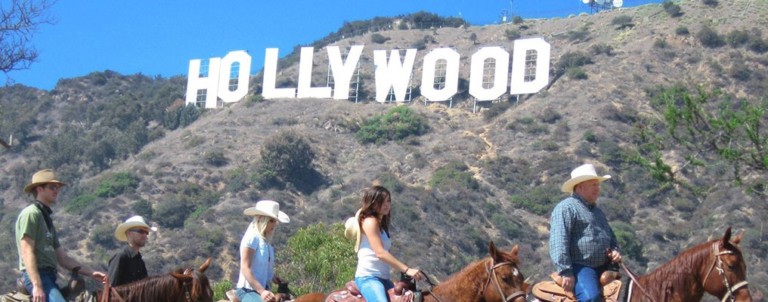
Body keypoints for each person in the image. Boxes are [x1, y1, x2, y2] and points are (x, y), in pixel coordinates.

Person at [15, 169, 106, 302]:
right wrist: (37, 285)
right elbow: (27, 251)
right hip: (38, 276)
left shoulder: (46, 218)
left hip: (50, 276)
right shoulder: (31, 214)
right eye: (52, 187)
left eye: (58, 187)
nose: (56, 190)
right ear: (39, 189)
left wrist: (91, 273)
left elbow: (62, 258)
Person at [549, 163, 622, 302]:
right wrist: (566, 272)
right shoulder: (566, 208)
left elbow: (611, 237)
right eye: (593, 185)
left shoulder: (598, 212)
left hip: (606, 267)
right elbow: (559, 242)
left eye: (598, 185)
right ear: (580, 187)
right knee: (591, 298)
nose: (598, 189)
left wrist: (615, 250)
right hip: (580, 267)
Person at [353, 185, 422, 302]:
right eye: (382, 201)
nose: (387, 204)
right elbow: (380, 253)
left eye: (388, 201)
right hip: (369, 278)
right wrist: (406, 270)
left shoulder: (381, 225)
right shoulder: (370, 222)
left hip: (384, 279)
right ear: (373, 203)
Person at [235, 200, 290, 302]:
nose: (274, 225)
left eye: (275, 221)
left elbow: (261, 268)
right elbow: (245, 268)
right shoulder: (251, 238)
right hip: (247, 291)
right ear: (261, 219)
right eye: (271, 221)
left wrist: (273, 277)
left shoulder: (265, 242)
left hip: (263, 291)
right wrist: (262, 291)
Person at [107, 215, 157, 287]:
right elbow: (111, 288)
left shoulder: (140, 261)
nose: (145, 235)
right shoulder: (121, 257)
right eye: (141, 231)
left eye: (146, 232)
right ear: (129, 233)